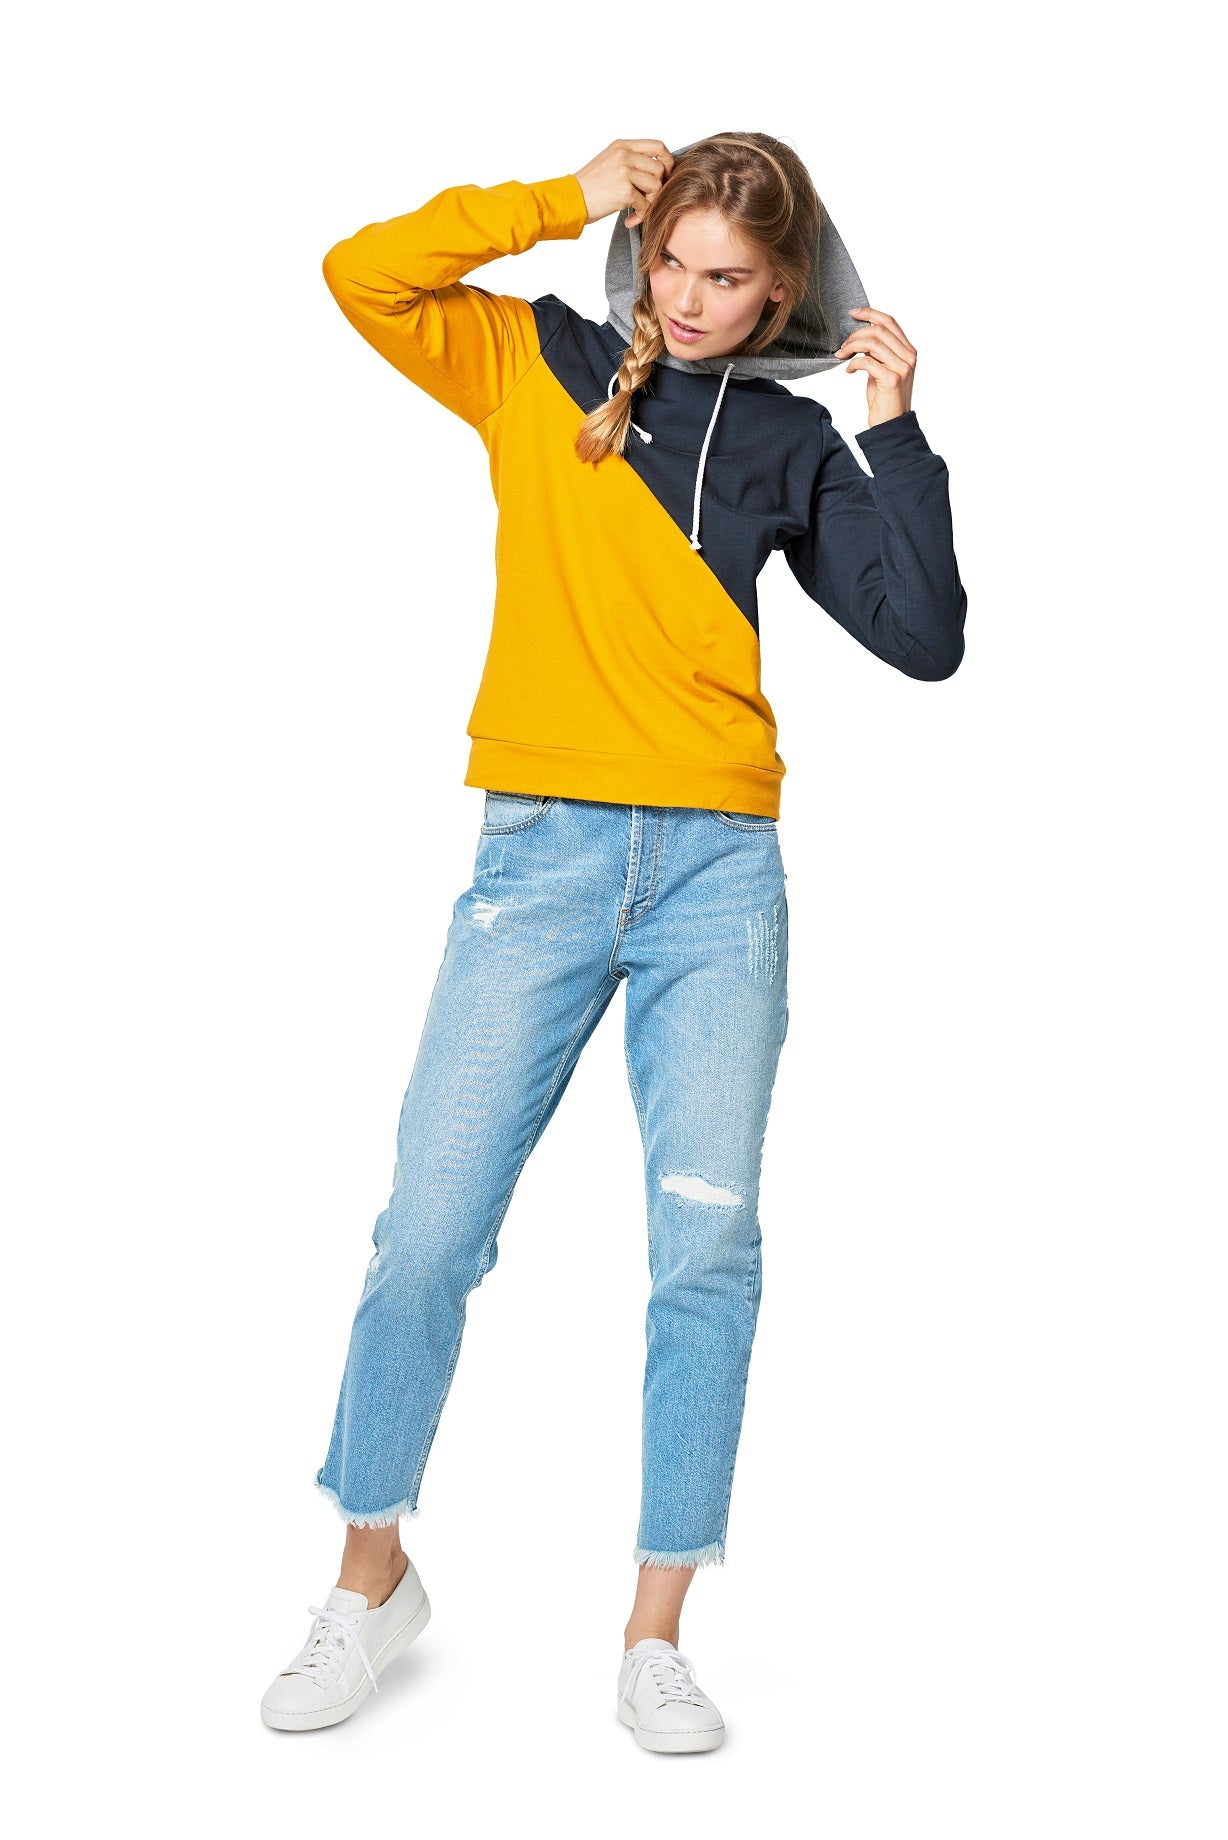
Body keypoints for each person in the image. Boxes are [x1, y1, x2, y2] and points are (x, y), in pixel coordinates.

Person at [260, 133, 968, 1750]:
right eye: (676, 264)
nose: (695, 300)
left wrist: (895, 429)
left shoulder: (791, 440)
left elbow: (925, 636)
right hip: (539, 862)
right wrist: (563, 197)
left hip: (719, 877)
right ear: (644, 254)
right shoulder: (535, 361)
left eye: (731, 279)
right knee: (427, 1232)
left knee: (705, 1255)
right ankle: (369, 1580)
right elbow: (362, 275)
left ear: (783, 292)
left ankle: (657, 1629)